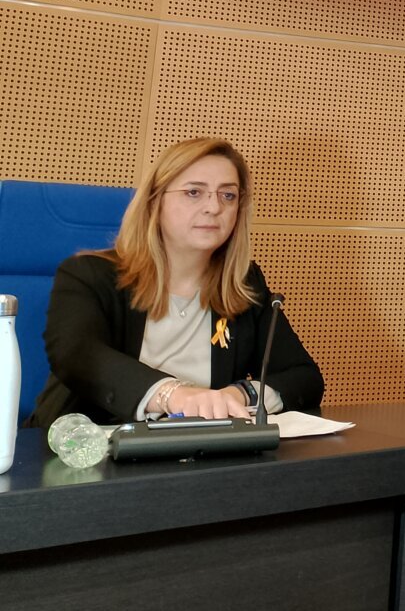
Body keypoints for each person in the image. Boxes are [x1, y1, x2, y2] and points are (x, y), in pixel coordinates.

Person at [26, 138, 324, 429]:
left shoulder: (244, 283)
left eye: (228, 195)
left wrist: (241, 394)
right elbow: (78, 356)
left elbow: (303, 377)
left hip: (198, 450)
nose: (214, 207)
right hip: (85, 449)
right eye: (194, 192)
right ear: (155, 202)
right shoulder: (89, 274)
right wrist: (174, 395)